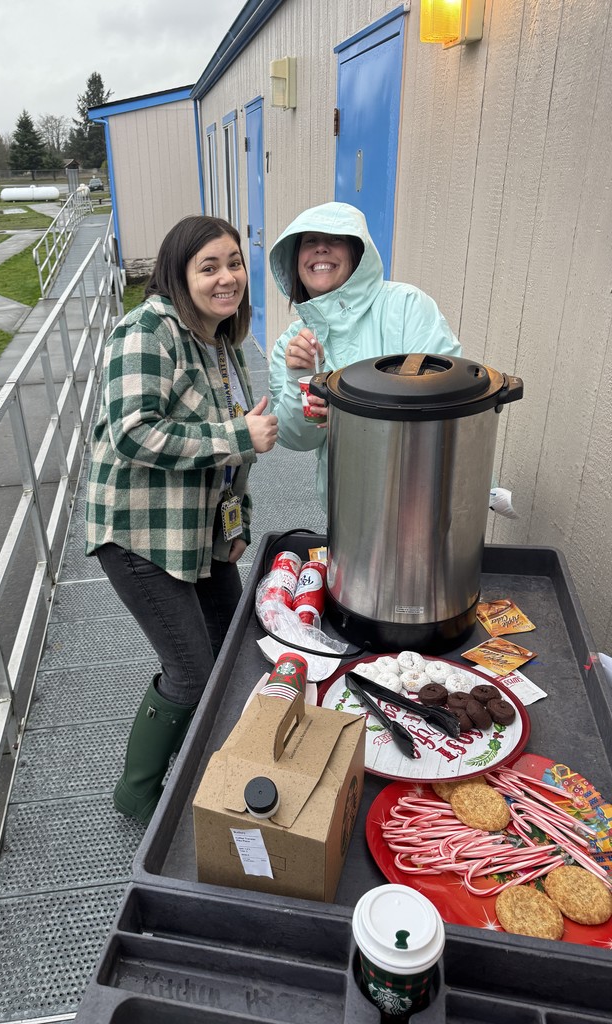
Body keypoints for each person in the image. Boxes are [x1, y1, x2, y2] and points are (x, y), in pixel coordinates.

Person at [85, 215, 278, 824]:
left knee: (231, 653)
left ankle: (207, 770)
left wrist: (236, 526)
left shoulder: (222, 342)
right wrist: (238, 435)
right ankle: (138, 794)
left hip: (200, 533)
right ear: (178, 273)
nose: (227, 277)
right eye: (209, 267)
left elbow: (232, 451)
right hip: (140, 534)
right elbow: (132, 433)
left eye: (234, 263)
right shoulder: (147, 330)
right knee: (192, 673)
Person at [268, 202, 461, 508]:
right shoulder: (290, 345)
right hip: (345, 501)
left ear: (357, 252)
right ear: (295, 259)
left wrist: (347, 411)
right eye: (310, 241)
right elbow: (297, 438)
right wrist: (300, 379)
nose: (321, 249)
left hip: (421, 491)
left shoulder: (406, 307)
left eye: (335, 239)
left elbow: (448, 395)